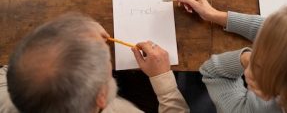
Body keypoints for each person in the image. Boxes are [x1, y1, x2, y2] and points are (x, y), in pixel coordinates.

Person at [0, 13, 189, 113]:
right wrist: (163, 81)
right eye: (106, 59)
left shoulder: (5, 94)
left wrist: (77, 35)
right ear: (102, 96)